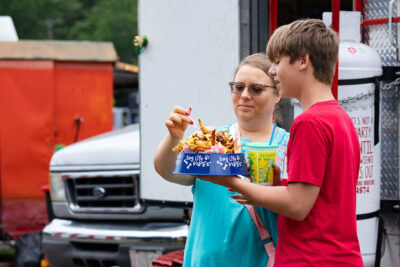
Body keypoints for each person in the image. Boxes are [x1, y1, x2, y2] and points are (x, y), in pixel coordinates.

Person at [201, 19, 364, 266]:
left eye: (278, 61)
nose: (273, 71)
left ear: (302, 61)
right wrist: (273, 190)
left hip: (309, 259)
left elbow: (298, 205)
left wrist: (232, 182)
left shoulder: (309, 123)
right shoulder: (340, 119)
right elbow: (320, 199)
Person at [154, 53, 289, 266]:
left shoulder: (290, 146)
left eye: (256, 89)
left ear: (278, 94)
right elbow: (167, 170)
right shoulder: (210, 140)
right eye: (238, 87)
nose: (244, 95)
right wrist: (174, 137)